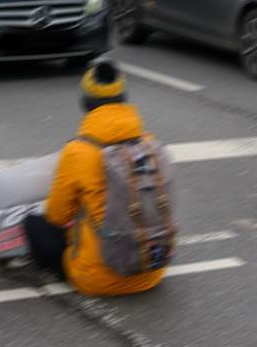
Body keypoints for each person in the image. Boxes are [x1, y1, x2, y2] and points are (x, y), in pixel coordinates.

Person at [23, 61, 171, 296]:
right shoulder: (150, 144)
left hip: (97, 279)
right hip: (152, 270)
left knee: (35, 224)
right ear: (124, 98)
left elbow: (57, 216)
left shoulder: (79, 151)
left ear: (86, 103)